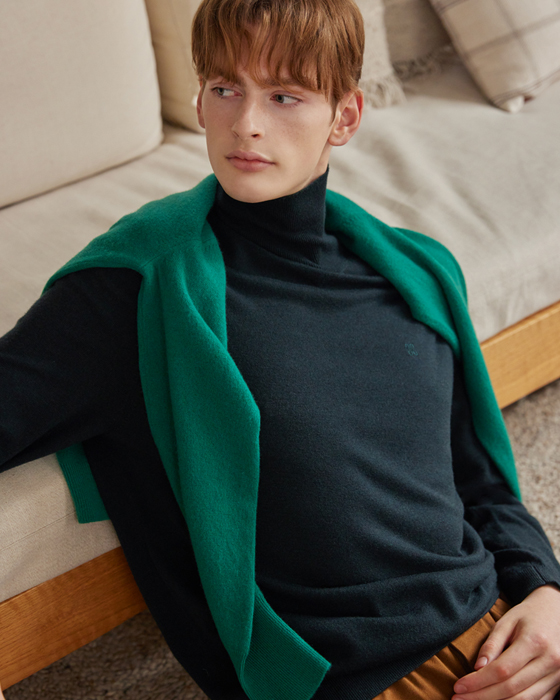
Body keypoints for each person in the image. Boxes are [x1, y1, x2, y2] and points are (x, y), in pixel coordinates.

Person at [1, 0, 560, 699]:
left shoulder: (413, 273)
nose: (247, 124)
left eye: (285, 96)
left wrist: (545, 592)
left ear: (345, 117)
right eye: (225, 89)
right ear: (200, 102)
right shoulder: (141, 289)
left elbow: (478, 482)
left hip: (503, 631)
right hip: (350, 679)